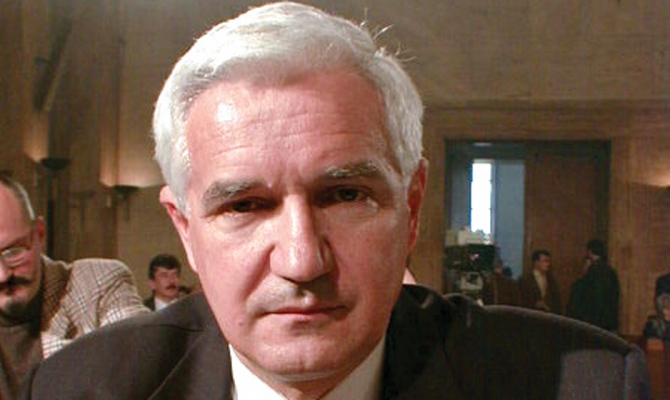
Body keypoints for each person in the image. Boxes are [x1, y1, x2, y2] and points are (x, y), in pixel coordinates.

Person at [20, 3, 650, 400]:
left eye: (345, 195)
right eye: (244, 206)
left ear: (411, 207)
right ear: (185, 229)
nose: (302, 261)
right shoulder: (81, 388)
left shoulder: (582, 384)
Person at [0, 174, 147, 400]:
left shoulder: (100, 285)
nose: (2, 275)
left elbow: (144, 381)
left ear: (40, 234)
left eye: (14, 252)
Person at [566, 239, 621, 332]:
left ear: (590, 252)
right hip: (608, 321)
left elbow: (584, 295)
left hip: (592, 321)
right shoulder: (611, 272)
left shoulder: (593, 272)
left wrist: (583, 275)